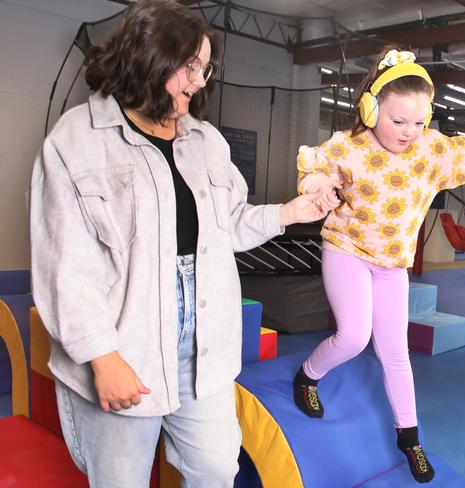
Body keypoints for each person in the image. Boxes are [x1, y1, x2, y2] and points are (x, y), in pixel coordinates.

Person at [29, 1, 328, 486]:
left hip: (204, 347)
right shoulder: (77, 142)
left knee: (215, 469)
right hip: (128, 341)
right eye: (189, 66)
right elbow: (66, 263)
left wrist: (292, 213)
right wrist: (102, 358)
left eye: (205, 68)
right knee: (120, 478)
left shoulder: (205, 140)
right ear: (148, 56)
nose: (200, 80)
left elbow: (228, 224)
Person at [292, 47, 465, 484]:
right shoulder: (350, 149)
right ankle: (307, 376)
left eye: (419, 122)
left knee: (395, 351)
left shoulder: (432, 152)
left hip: (391, 266)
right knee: (353, 336)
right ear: (371, 110)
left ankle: (410, 438)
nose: (409, 132)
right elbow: (313, 163)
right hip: (346, 250)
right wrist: (317, 183)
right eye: (398, 121)